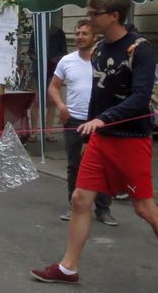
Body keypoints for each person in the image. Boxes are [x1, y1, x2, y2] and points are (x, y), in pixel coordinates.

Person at [31, 0, 158, 293]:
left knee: (144, 208)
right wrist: (89, 130)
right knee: (80, 199)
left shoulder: (140, 49)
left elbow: (140, 97)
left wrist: (103, 119)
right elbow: (99, 93)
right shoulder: (101, 48)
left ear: (114, 16)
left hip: (130, 140)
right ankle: (68, 267)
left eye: (95, 14)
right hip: (101, 139)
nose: (89, 19)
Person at [48, 20, 115, 226]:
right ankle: (74, 206)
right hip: (74, 120)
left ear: (94, 37)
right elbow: (53, 87)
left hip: (100, 121)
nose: (79, 37)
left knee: (103, 165)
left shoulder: (104, 60)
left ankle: (103, 209)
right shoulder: (66, 61)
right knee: (74, 165)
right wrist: (61, 106)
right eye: (77, 33)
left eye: (84, 33)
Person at [28, 24, 69, 142]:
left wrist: (54, 59)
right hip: (37, 71)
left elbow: (64, 53)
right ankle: (34, 132)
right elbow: (30, 51)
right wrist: (39, 58)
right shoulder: (36, 32)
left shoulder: (59, 33)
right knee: (36, 101)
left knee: (51, 101)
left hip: (53, 71)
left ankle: (48, 132)